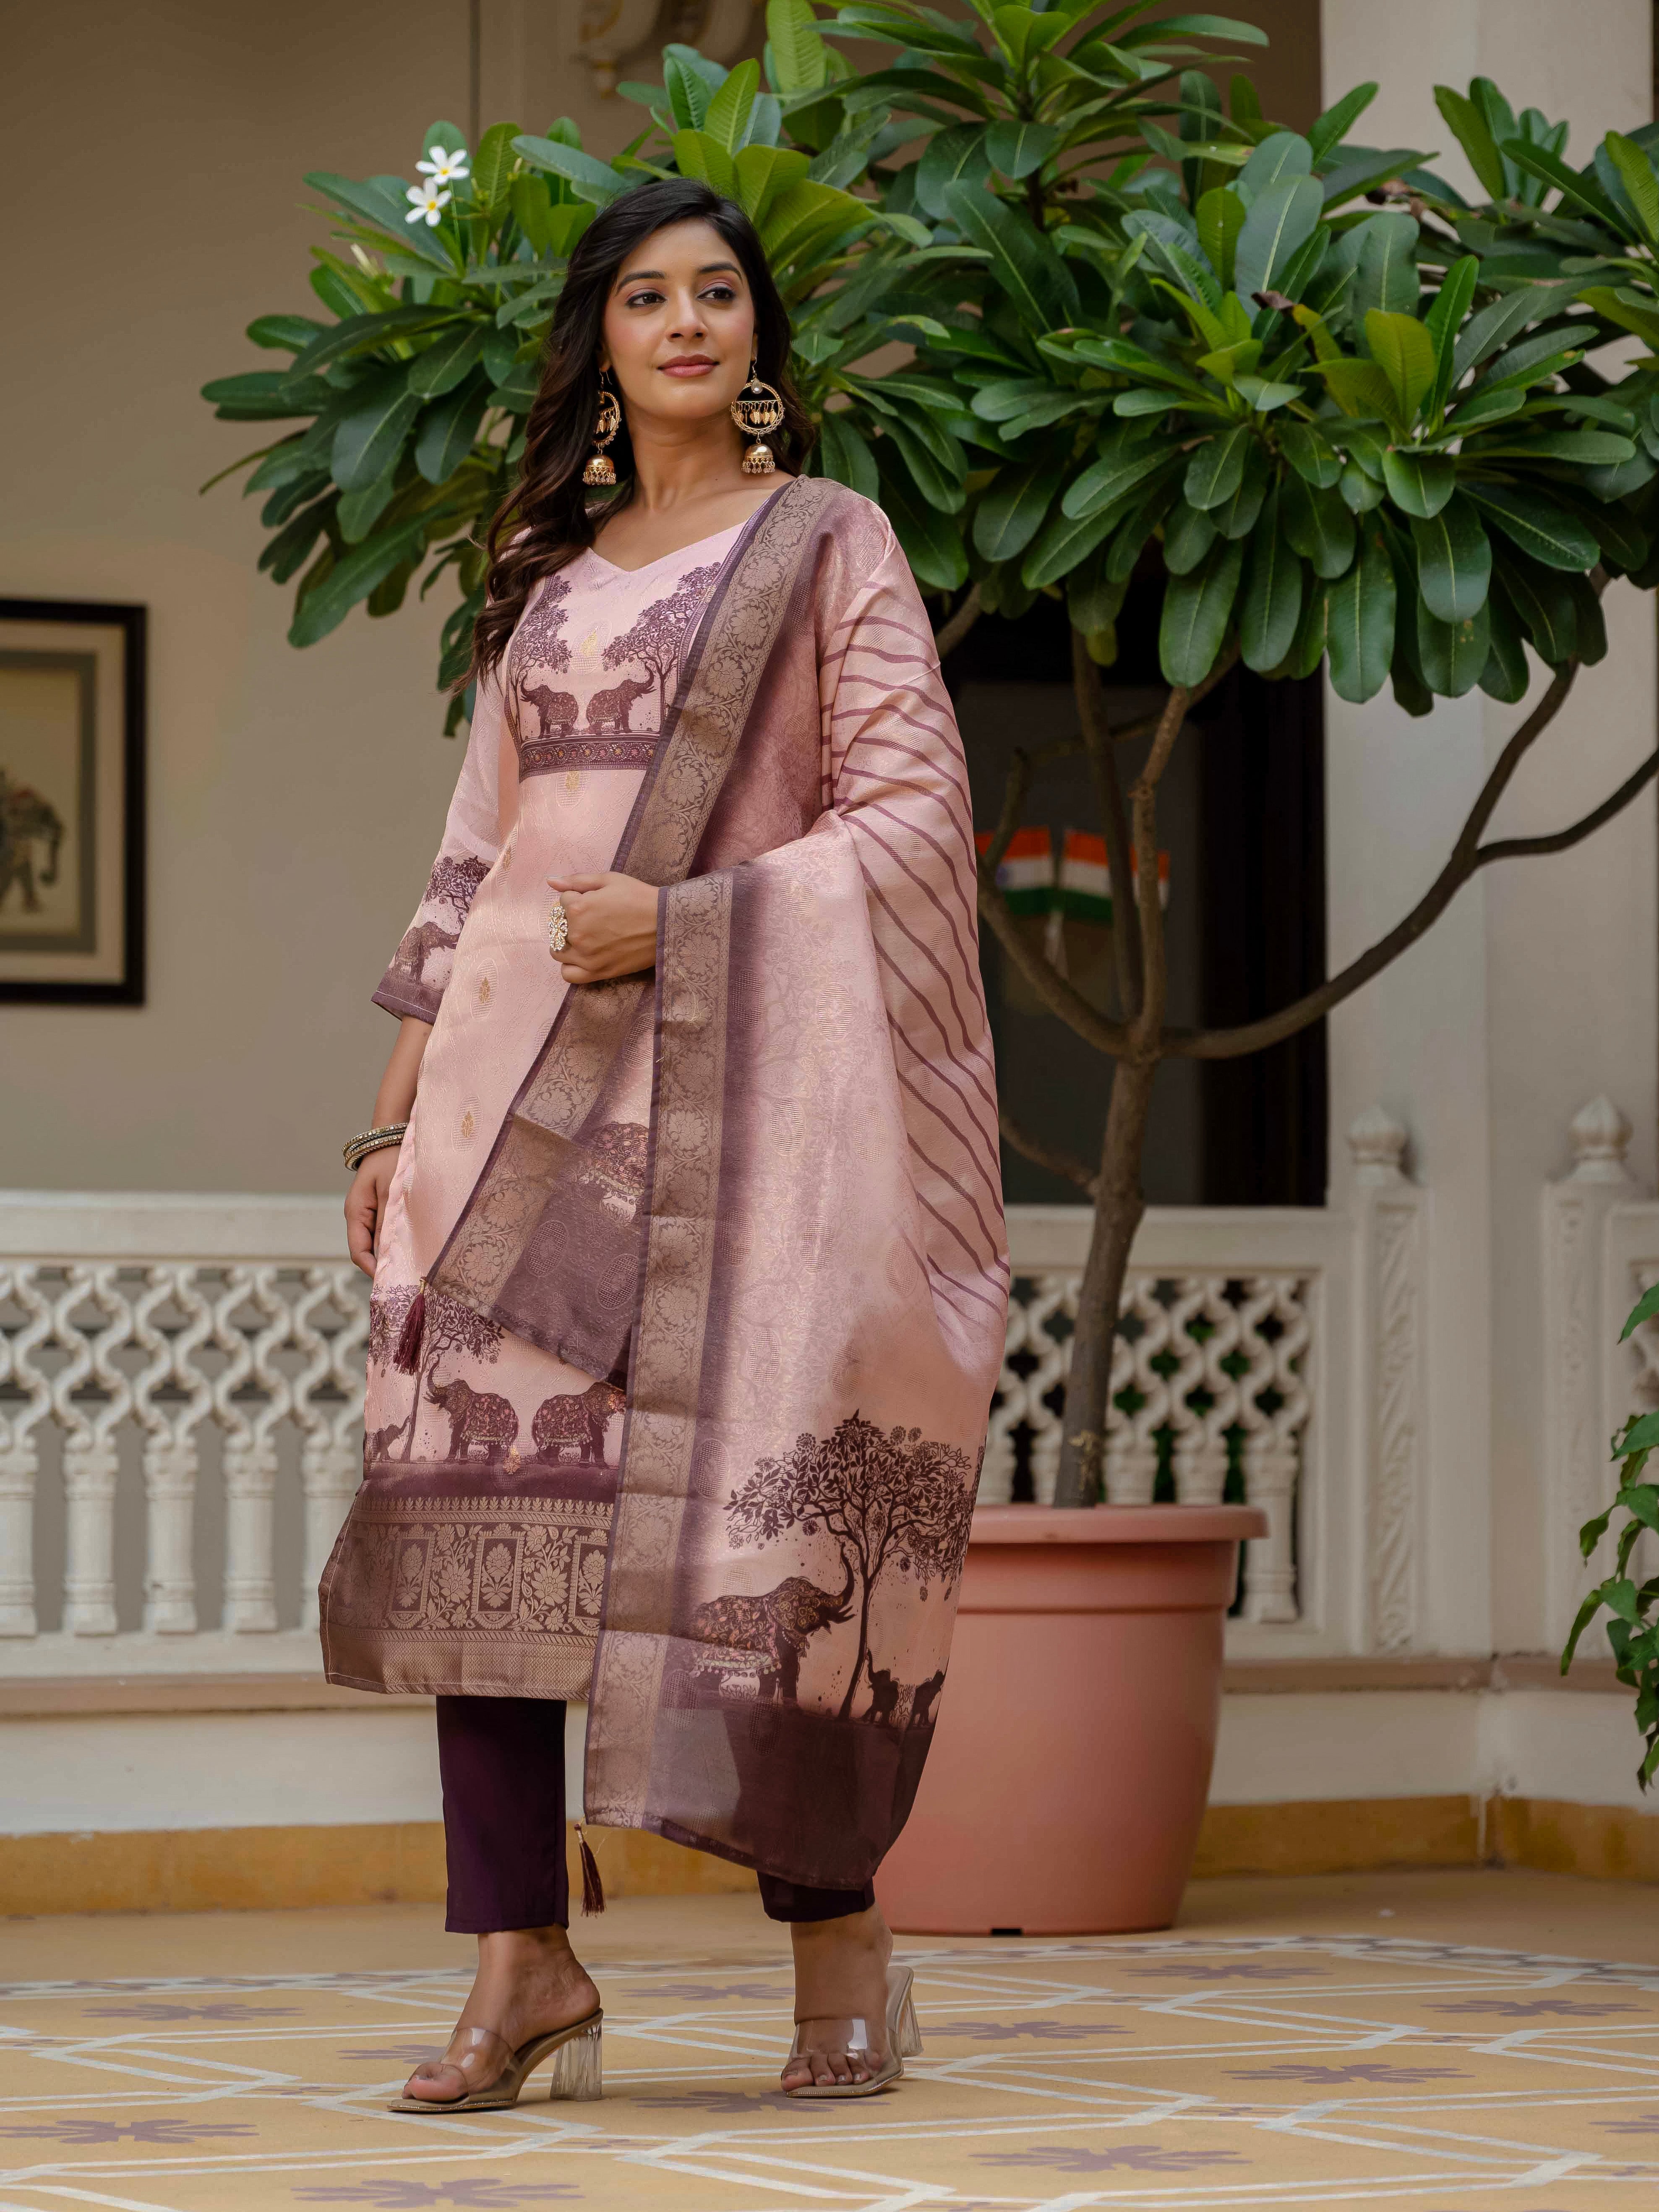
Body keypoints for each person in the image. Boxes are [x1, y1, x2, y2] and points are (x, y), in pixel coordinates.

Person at [322, 176, 1007, 2112]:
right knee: (484, 1525)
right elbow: (470, 862)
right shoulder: (544, 577)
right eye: (645, 297)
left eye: (717, 291)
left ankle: (838, 1944)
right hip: (503, 1112)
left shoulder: (827, 543)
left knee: (761, 1527)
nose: (686, 321)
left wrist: (688, 924)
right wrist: (385, 1122)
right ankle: (519, 1961)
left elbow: (909, 820)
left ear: (758, 334)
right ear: (601, 344)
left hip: (740, 1126)